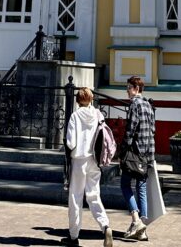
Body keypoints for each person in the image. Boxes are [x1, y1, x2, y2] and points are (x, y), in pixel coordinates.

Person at [64, 86, 113, 247]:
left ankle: (73, 236)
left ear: (78, 100)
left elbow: (71, 142)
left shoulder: (75, 116)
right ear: (91, 99)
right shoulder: (98, 114)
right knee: (94, 195)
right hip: (95, 160)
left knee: (75, 197)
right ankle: (105, 226)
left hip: (79, 160)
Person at [120, 76, 155, 242]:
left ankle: (136, 220)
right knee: (141, 187)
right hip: (148, 154)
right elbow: (153, 129)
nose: (127, 91)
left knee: (125, 184)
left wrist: (122, 149)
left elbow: (130, 130)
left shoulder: (135, 104)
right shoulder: (148, 104)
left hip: (135, 154)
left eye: (128, 87)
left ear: (136, 88)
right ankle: (143, 229)